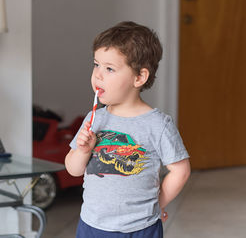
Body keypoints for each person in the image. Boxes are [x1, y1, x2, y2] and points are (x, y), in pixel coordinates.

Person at [65, 21, 191, 238]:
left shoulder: (158, 124)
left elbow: (180, 171)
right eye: (96, 64)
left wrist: (157, 205)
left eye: (109, 68)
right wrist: (83, 151)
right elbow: (73, 169)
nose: (98, 75)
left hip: (140, 228)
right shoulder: (95, 118)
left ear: (139, 77)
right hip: (92, 225)